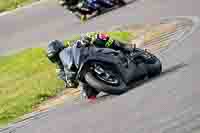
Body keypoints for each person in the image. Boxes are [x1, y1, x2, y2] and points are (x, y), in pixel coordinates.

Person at [46, 33, 132, 99]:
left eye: (56, 54)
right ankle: (110, 81)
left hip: (91, 55)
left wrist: (85, 40)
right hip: (83, 75)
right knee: (89, 95)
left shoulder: (70, 47)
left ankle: (124, 46)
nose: (57, 57)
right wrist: (69, 82)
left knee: (99, 37)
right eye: (54, 57)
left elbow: (82, 40)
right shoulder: (60, 70)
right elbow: (70, 82)